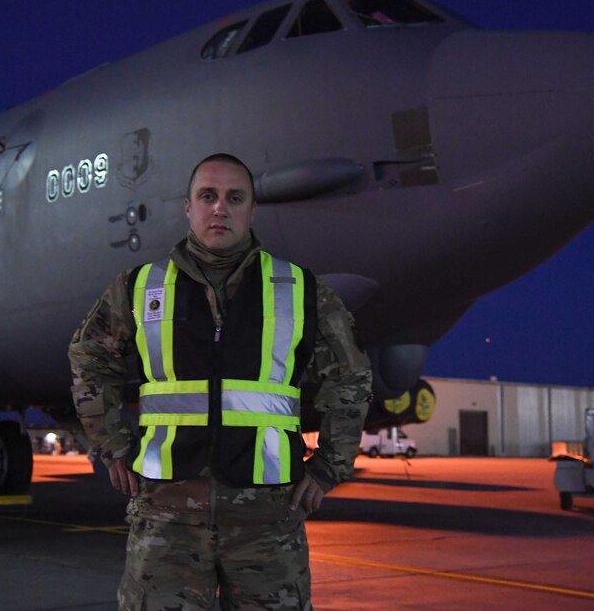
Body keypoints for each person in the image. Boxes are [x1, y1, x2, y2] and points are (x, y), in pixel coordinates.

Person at [70, 153, 372, 610]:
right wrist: (110, 444)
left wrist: (331, 466)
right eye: (207, 196)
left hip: (267, 518)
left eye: (235, 198)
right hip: (167, 514)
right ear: (188, 207)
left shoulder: (299, 290)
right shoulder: (141, 287)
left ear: (252, 210)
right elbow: (89, 355)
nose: (220, 208)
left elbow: (350, 373)